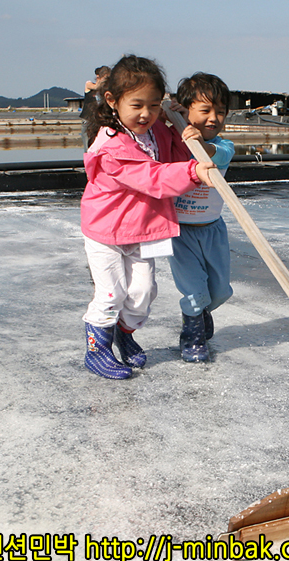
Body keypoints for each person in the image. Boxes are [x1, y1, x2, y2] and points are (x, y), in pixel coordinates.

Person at [81, 55, 215, 379]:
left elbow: (174, 157)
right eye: (137, 105)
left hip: (143, 228)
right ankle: (97, 349)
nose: (146, 114)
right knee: (111, 293)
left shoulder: (155, 131)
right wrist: (193, 172)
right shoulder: (111, 145)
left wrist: (188, 132)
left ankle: (124, 336)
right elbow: (153, 177)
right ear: (113, 101)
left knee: (143, 293)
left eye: (154, 105)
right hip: (107, 232)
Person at [169, 73, 234, 362]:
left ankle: (203, 309)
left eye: (220, 111)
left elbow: (215, 155)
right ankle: (192, 334)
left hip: (213, 230)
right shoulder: (174, 145)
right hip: (181, 232)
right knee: (194, 290)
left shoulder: (224, 147)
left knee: (219, 291)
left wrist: (200, 144)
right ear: (188, 111)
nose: (214, 118)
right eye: (205, 110)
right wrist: (173, 117)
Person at [80, 66, 111, 151]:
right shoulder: (89, 84)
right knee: (88, 146)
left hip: (98, 120)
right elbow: (97, 86)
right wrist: (102, 80)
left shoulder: (104, 90)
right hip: (87, 119)